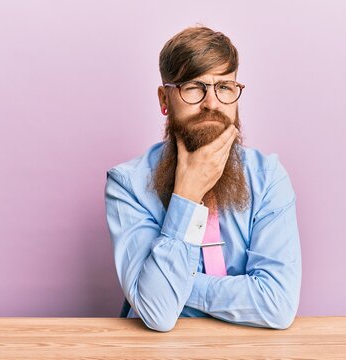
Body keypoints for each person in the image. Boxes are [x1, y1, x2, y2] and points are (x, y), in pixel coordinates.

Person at [104, 26, 302, 332]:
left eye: (224, 87)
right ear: (164, 99)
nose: (212, 103)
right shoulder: (127, 184)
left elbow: (277, 304)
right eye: (194, 87)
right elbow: (158, 313)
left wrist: (177, 288)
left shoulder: (268, 177)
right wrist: (187, 195)